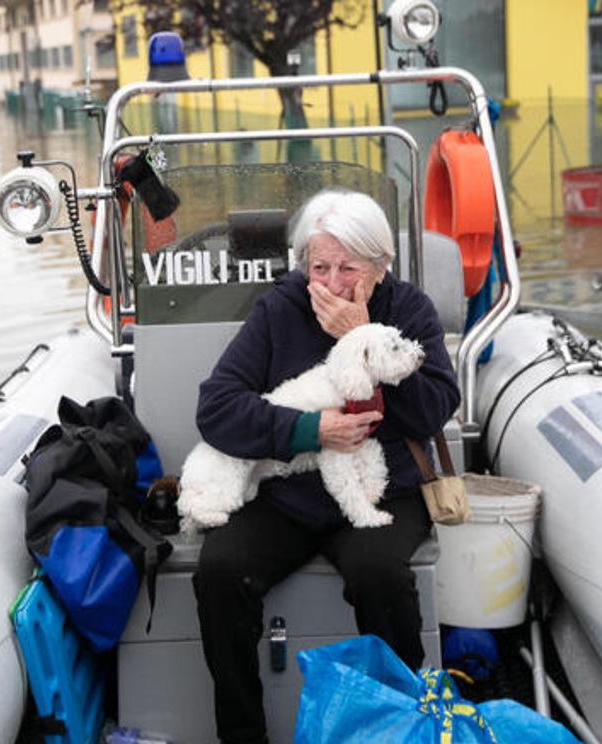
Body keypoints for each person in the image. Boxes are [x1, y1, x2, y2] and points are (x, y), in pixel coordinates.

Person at [191, 188, 461, 744]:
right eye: (320, 267)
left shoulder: (408, 309)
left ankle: (405, 728)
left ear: (381, 267)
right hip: (291, 493)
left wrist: (357, 338)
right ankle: (242, 736)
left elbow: (435, 407)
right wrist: (306, 431)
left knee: (380, 574)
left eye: (348, 268)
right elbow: (216, 408)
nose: (332, 284)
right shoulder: (279, 307)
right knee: (220, 571)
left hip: (383, 490)